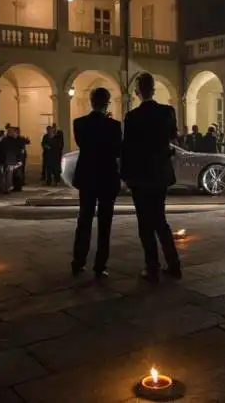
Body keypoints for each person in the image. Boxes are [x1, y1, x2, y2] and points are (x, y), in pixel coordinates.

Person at [121, 73, 182, 282]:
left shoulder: (132, 117)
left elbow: (126, 149)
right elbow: (173, 136)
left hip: (139, 176)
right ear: (154, 90)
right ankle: (174, 264)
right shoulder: (167, 111)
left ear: (137, 92)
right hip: (159, 174)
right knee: (160, 219)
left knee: (144, 223)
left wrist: (126, 176)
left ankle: (152, 266)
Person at [71, 87, 122, 278]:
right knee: (105, 223)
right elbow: (117, 151)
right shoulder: (114, 126)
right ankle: (100, 265)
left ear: (91, 102)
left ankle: (78, 261)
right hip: (107, 177)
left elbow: (83, 144)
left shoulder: (79, 123)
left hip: (87, 177)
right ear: (107, 103)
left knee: (84, 219)